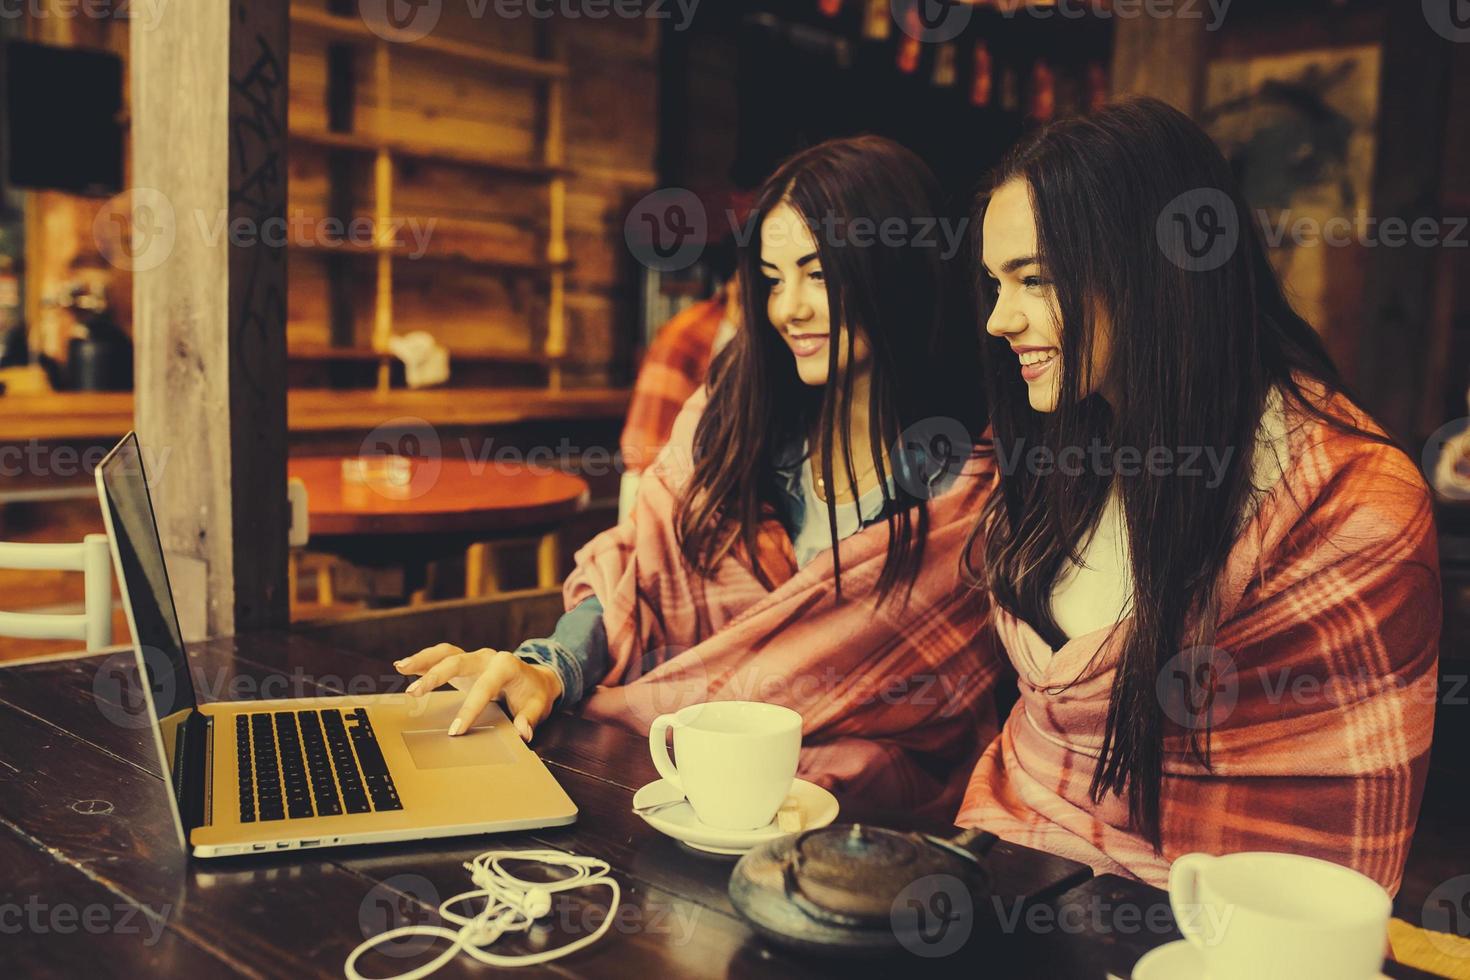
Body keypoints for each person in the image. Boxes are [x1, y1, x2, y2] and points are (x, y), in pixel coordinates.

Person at [397, 135, 1003, 813]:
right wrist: (551, 666)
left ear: (898, 270)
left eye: (817, 274)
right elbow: (637, 571)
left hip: (874, 833)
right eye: (772, 280)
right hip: (678, 784)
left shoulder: (970, 491)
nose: (789, 308)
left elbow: (945, 704)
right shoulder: (734, 418)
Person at [955, 97, 1440, 894]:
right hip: (1011, 872)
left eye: (1034, 280)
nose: (1001, 319)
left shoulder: (1354, 504)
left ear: (1155, 270)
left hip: (1214, 934)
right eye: (994, 284)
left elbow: (1309, 868)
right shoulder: (1063, 447)